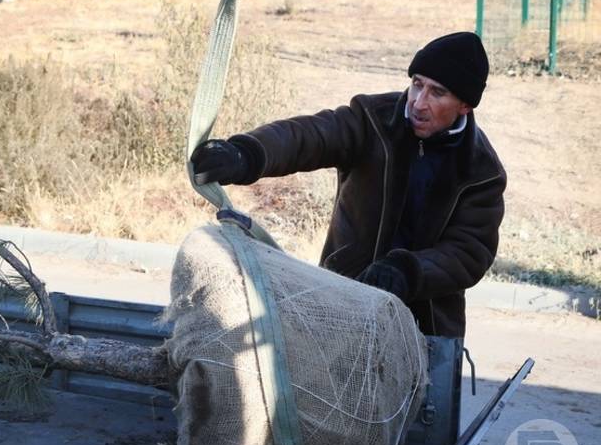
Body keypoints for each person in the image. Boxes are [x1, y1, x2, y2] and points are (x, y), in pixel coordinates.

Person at [190, 32, 506, 337]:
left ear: (465, 105)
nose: (418, 102)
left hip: (426, 325)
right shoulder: (371, 120)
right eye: (416, 84)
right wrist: (247, 154)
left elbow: (469, 252)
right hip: (341, 299)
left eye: (437, 93)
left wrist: (407, 271)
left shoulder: (483, 171)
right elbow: (310, 136)